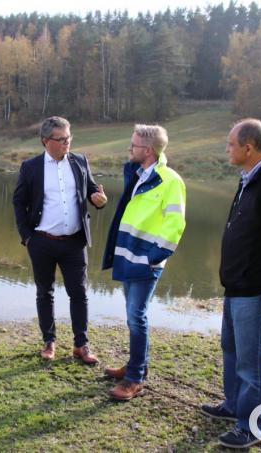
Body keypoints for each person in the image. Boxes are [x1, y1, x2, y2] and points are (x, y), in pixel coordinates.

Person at [199, 119, 261, 449]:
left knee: (253, 362)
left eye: (230, 143)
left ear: (248, 147)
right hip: (238, 286)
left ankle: (252, 425)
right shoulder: (249, 179)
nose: (226, 148)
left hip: (257, 288)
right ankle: (234, 406)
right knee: (232, 350)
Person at [12, 116, 108, 364]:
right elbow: (18, 203)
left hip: (74, 242)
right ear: (46, 141)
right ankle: (49, 342)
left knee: (79, 293)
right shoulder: (31, 167)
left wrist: (99, 200)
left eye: (69, 138)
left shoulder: (79, 161)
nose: (67, 143)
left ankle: (81, 345)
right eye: (61, 139)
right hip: (42, 241)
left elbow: (93, 191)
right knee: (45, 292)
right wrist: (27, 237)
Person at [101, 124, 186, 400]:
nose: (130, 149)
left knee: (136, 317)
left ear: (148, 150)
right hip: (128, 256)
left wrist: (153, 258)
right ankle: (136, 364)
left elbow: (175, 225)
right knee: (132, 315)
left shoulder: (169, 181)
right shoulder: (138, 174)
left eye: (134, 145)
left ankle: (134, 378)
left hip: (144, 262)